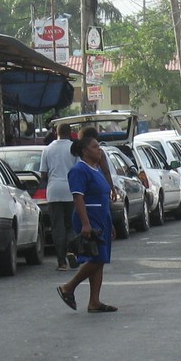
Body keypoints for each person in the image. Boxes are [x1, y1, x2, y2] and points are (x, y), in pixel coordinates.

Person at [56, 135, 117, 313]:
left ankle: (94, 301)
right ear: (84, 151)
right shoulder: (79, 170)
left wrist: (110, 222)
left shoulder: (96, 169)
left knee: (99, 260)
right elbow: (78, 197)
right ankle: (69, 287)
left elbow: (102, 196)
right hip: (89, 217)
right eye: (95, 146)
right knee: (98, 257)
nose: (99, 149)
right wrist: (85, 224)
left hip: (101, 217)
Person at [39, 123, 77, 270]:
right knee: (71, 225)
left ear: (56, 133)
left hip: (54, 191)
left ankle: (61, 262)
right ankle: (72, 251)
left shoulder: (47, 149)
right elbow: (78, 170)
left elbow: (43, 174)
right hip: (70, 190)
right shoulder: (74, 149)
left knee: (57, 226)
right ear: (71, 133)